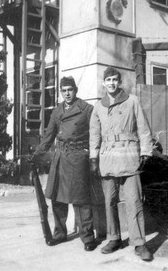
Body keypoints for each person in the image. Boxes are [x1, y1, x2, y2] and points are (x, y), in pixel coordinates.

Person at [89, 66, 154, 261]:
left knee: (134, 200)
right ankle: (114, 238)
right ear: (103, 83)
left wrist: (146, 152)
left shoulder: (132, 101)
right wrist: (93, 157)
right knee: (109, 201)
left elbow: (143, 128)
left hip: (128, 156)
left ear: (119, 82)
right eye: (108, 80)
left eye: (115, 79)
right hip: (108, 158)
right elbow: (94, 134)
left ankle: (139, 243)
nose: (111, 83)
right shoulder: (98, 106)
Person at [31, 76, 96, 251]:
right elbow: (49, 135)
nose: (67, 93)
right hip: (60, 157)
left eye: (70, 90)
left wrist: (90, 153)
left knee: (81, 199)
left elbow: (96, 133)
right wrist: (38, 155)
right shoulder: (57, 111)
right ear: (61, 91)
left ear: (76, 90)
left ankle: (87, 237)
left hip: (78, 157)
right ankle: (60, 233)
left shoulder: (86, 109)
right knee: (58, 199)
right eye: (64, 90)